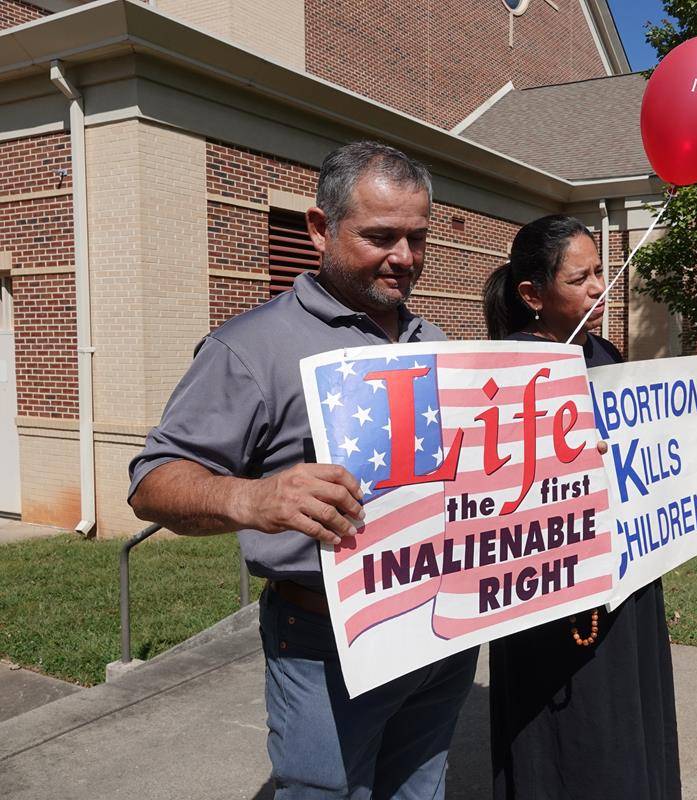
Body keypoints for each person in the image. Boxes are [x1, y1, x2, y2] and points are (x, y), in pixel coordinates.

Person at [128, 140, 477, 799]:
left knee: (420, 788)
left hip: (439, 628)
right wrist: (253, 498)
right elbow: (151, 483)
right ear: (320, 228)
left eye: (417, 238)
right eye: (380, 236)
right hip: (325, 637)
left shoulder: (435, 343)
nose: (404, 258)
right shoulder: (251, 348)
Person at [482, 214, 697, 800]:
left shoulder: (605, 349)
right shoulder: (508, 369)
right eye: (579, 277)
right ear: (532, 295)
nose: (597, 288)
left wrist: (686, 391)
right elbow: (494, 486)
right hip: (554, 591)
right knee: (574, 733)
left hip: (625, 581)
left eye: (600, 272)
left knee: (628, 716)